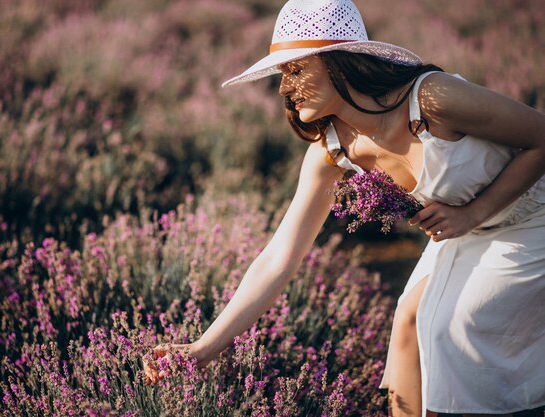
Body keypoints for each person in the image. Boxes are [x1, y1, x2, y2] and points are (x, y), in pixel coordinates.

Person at [143, 0, 545, 415]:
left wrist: (472, 213)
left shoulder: (433, 98)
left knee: (455, 329)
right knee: (408, 324)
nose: (283, 87)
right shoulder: (331, 150)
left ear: (341, 65)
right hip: (469, 228)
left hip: (532, 220)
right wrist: (203, 349)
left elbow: (541, 138)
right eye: (283, 73)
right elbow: (279, 259)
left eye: (295, 69)